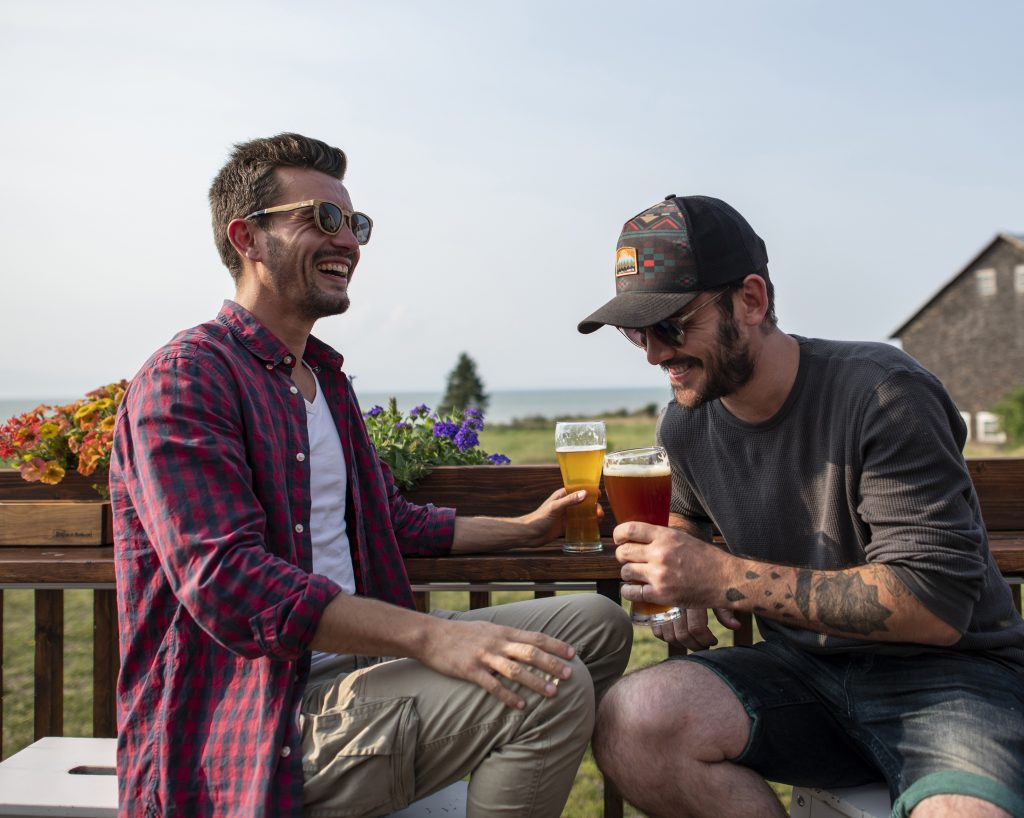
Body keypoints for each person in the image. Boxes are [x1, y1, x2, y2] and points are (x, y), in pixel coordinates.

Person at [109, 132, 632, 818]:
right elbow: (226, 580)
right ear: (248, 238)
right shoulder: (188, 379)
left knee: (598, 622)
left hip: (359, 676)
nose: (348, 241)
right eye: (321, 219)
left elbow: (394, 518)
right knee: (551, 686)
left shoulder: (322, 377)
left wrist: (528, 529)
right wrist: (432, 636)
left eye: (355, 224)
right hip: (264, 718)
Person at [576, 194, 1024, 818]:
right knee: (631, 722)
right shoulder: (685, 425)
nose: (653, 353)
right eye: (636, 331)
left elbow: (932, 604)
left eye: (672, 324)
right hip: (801, 676)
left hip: (950, 680)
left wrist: (724, 578)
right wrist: (682, 586)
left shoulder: (883, 394)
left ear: (752, 301)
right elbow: (689, 516)